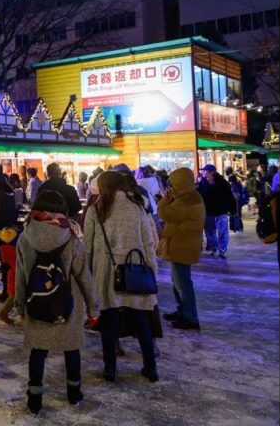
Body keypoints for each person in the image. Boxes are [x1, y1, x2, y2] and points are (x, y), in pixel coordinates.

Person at [15, 191, 98, 416]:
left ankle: (34, 399)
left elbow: (21, 276)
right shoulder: (71, 237)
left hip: (37, 302)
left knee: (38, 351)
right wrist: (93, 308)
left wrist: (20, 306)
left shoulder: (25, 237)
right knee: (71, 350)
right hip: (68, 305)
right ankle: (74, 393)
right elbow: (84, 276)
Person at [83, 171, 160, 383]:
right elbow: (148, 242)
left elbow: (87, 247)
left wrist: (87, 274)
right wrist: (151, 268)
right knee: (141, 316)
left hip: (106, 270)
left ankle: (110, 369)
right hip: (135, 268)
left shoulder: (96, 210)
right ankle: (150, 367)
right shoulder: (137, 206)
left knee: (109, 320)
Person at [157, 168, 206, 331]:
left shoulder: (186, 200)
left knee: (183, 284)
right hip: (182, 245)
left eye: (172, 183)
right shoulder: (189, 196)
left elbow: (164, 213)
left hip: (182, 246)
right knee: (179, 282)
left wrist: (165, 197)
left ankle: (190, 317)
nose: (170, 187)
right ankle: (183, 311)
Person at [197, 164, 236, 259]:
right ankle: (216, 248)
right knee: (210, 231)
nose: (203, 172)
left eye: (204, 171)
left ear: (211, 172)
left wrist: (232, 210)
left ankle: (221, 249)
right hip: (210, 211)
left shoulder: (221, 182)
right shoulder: (203, 182)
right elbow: (199, 195)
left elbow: (229, 196)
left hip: (219, 211)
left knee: (220, 231)